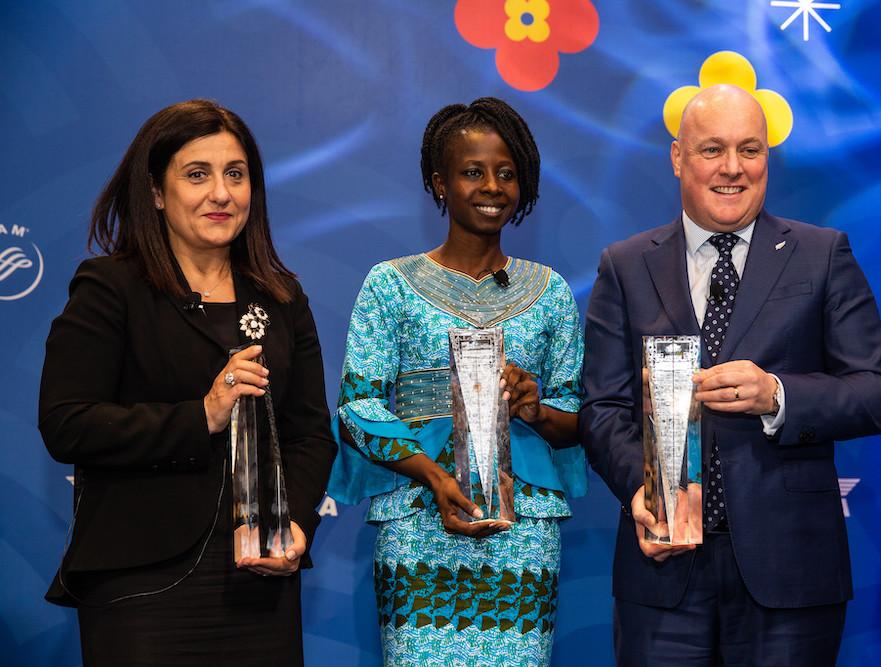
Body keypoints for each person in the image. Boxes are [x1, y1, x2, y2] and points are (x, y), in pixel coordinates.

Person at [579, 84, 881, 665]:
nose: (733, 168)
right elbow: (602, 408)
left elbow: (877, 394)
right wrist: (643, 488)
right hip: (664, 575)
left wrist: (777, 395)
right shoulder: (625, 266)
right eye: (712, 150)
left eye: (750, 150)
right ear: (679, 157)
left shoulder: (823, 254)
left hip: (791, 574)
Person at [38, 99, 337, 665]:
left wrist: (294, 527)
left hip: (261, 583)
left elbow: (310, 434)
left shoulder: (282, 297)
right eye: (197, 175)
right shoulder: (111, 286)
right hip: (141, 583)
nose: (221, 194)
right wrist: (201, 415)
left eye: (236, 174)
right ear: (155, 191)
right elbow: (67, 424)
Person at [326, 97, 586, 666]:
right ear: (439, 183)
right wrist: (435, 478)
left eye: (506, 173)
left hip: (522, 534)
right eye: (473, 172)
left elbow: (576, 423)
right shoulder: (389, 285)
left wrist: (533, 409)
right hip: (419, 520)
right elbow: (356, 408)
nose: (492, 186)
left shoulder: (552, 293)